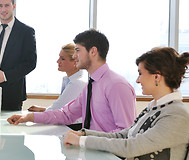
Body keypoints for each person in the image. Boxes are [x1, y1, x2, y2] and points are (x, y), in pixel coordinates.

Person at [63, 47, 189, 160]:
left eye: (140, 73)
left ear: (157, 76)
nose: (138, 80)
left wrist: (81, 141)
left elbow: (130, 147)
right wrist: (84, 134)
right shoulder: (155, 107)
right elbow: (124, 135)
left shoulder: (176, 115)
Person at [7, 29, 136, 133]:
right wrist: (29, 117)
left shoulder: (116, 85)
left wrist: (86, 139)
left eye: (78, 51)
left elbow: (125, 133)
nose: (75, 56)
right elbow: (65, 115)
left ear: (93, 51)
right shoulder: (91, 86)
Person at [28, 43, 87, 112]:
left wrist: (28, 117)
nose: (58, 61)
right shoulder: (70, 80)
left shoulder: (77, 83)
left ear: (75, 62)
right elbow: (60, 108)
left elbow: (57, 111)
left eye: (62, 59)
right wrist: (44, 109)